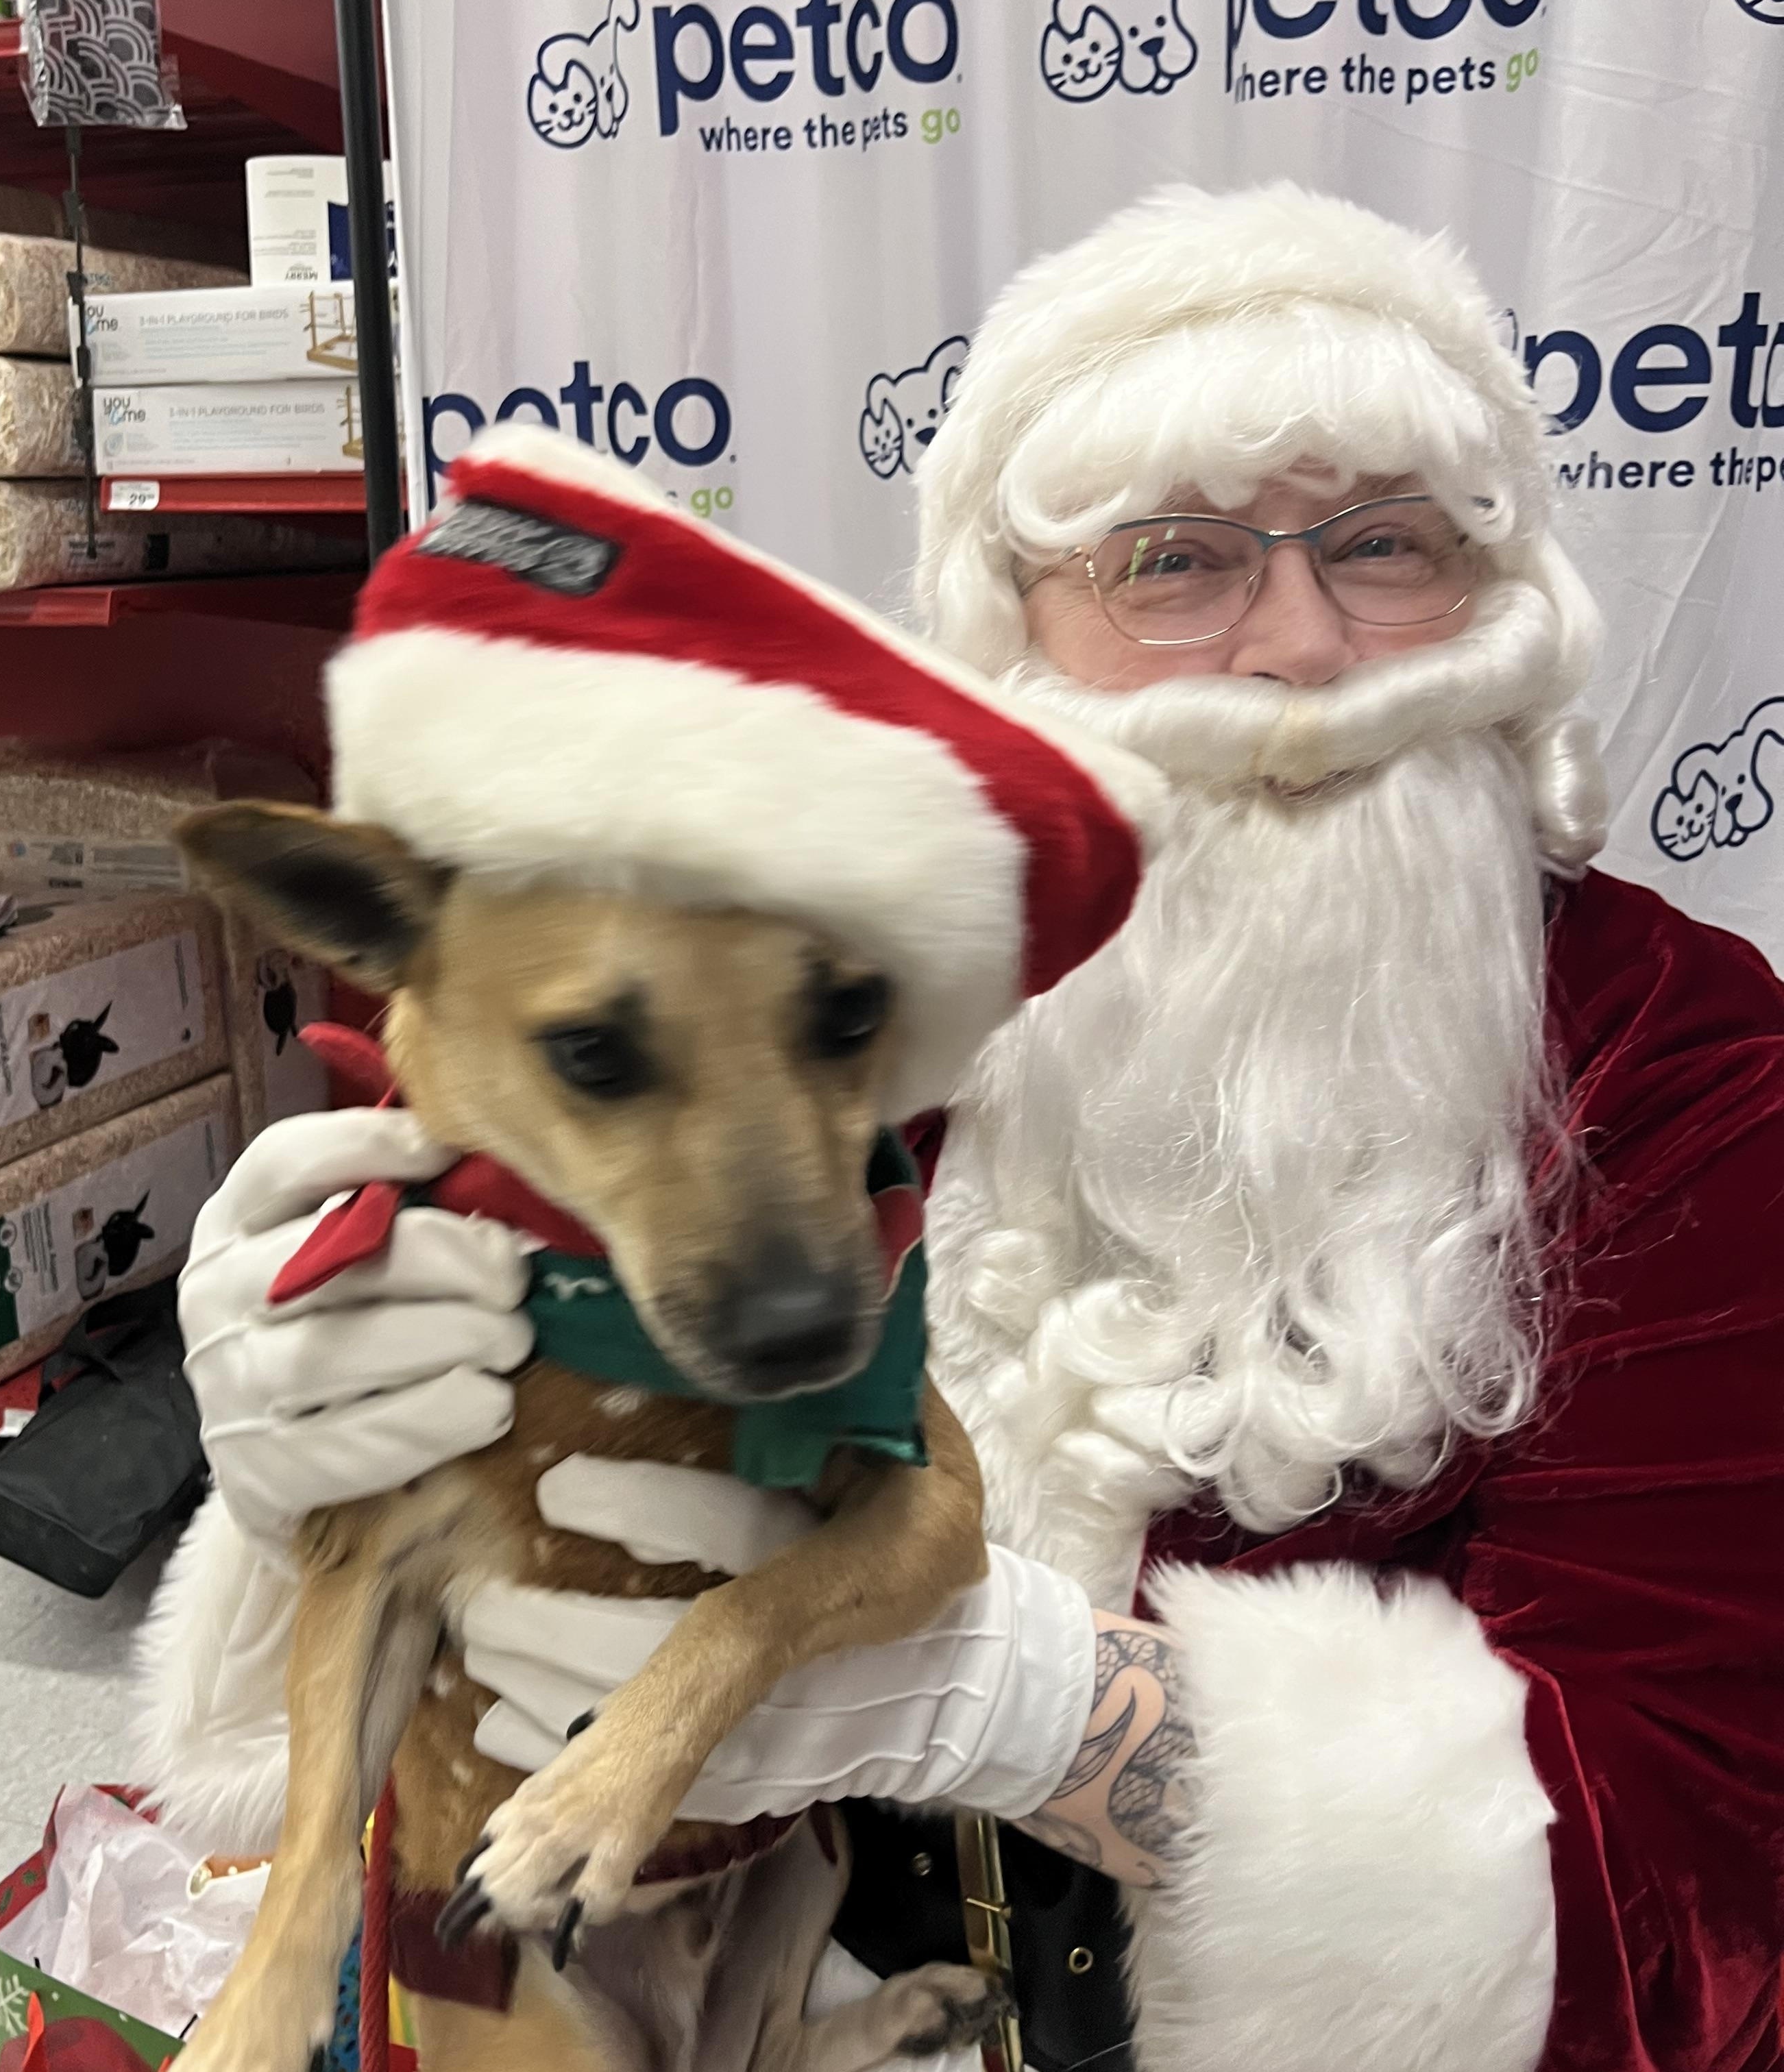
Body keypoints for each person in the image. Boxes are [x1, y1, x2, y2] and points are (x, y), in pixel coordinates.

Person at [138, 185, 1784, 2072]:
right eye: (1174, 562)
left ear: (1502, 604)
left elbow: (1690, 1879)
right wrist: (306, 1442)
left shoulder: (1689, 1066)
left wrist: (1041, 1712)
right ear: (1014, 637)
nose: (1304, 657)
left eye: (1387, 546)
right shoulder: (843, 1000)